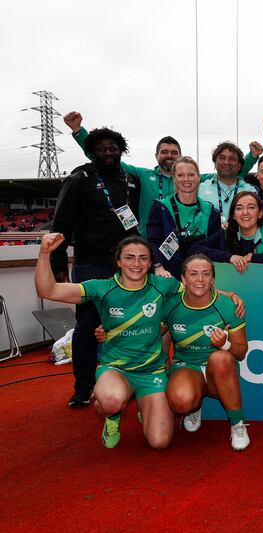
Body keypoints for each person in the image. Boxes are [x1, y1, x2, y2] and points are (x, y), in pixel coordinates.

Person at [35, 233, 181, 449]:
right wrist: (44, 254)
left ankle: (145, 404)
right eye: (129, 257)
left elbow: (198, 293)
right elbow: (48, 290)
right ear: (119, 261)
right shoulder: (101, 288)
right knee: (112, 401)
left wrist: (230, 296)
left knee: (159, 441)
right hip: (116, 369)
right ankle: (111, 417)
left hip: (151, 371)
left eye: (143, 258)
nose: (136, 263)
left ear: (150, 262)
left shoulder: (162, 285)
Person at [51, 127, 141, 408]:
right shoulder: (80, 179)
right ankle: (83, 386)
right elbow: (61, 225)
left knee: (127, 325)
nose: (108, 152)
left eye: (113, 148)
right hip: (90, 264)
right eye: (102, 148)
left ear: (120, 150)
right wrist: (59, 266)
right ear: (92, 151)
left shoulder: (132, 180)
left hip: (125, 266)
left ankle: (129, 381)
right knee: (88, 326)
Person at [164, 254, 250, 451]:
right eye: (193, 274)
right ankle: (194, 405)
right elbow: (150, 332)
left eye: (206, 274)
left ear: (213, 279)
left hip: (218, 370)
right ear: (183, 279)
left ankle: (237, 424)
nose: (200, 279)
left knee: (220, 357)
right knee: (180, 402)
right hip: (186, 365)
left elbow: (241, 352)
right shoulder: (170, 305)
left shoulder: (229, 306)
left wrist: (225, 344)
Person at [63, 111, 179, 235]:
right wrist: (78, 130)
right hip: (146, 245)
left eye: (174, 152)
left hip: (180, 245)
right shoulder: (142, 175)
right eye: (164, 152)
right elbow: (105, 157)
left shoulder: (191, 180)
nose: (169, 155)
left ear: (180, 156)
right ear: (156, 155)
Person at [191, 191, 263, 271]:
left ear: (260, 213)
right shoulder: (225, 234)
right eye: (239, 208)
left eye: (251, 207)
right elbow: (194, 250)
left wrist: (255, 258)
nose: (245, 212)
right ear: (234, 215)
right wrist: (228, 257)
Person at [147, 156, 221, 279]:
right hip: (167, 275)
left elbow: (215, 248)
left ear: (198, 178)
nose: (186, 179)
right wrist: (158, 266)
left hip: (200, 278)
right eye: (180, 175)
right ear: (174, 179)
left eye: (191, 175)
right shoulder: (160, 207)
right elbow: (153, 241)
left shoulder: (211, 211)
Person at [198, 142, 260, 226]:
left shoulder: (251, 191)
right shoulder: (200, 190)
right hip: (209, 238)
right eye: (222, 158)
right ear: (215, 163)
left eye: (232, 159)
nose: (226, 162)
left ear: (239, 166)